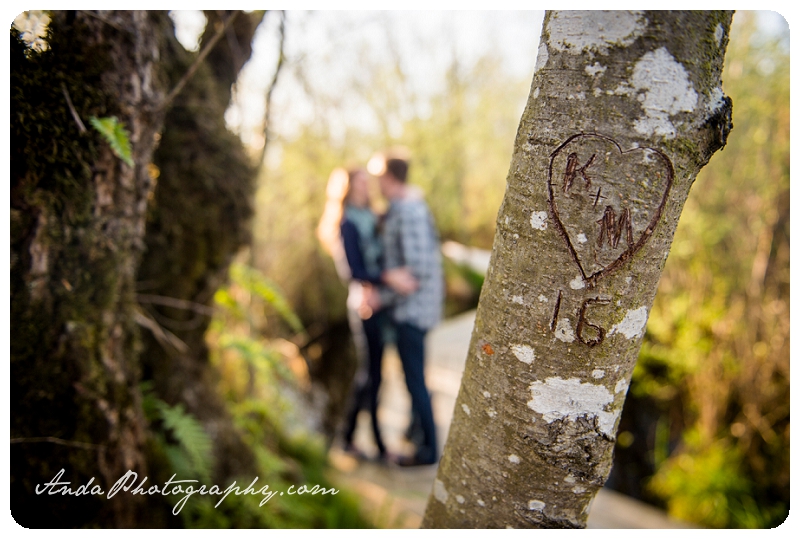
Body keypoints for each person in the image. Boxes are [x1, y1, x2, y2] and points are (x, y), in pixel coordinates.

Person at [317, 167, 416, 461]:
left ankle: (346, 438)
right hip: (364, 305)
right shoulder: (346, 223)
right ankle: (379, 446)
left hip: (379, 303)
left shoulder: (372, 215)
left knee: (370, 374)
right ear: (347, 188)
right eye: (360, 182)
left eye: (366, 182)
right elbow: (353, 271)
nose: (366, 186)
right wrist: (389, 278)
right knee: (372, 375)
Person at [368, 156, 444, 467]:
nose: (376, 184)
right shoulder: (403, 206)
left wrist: (381, 295)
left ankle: (428, 452)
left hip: (413, 311)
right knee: (414, 376)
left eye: (378, 177)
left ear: (389, 177)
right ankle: (418, 437)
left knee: (414, 380)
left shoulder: (409, 210)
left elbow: (418, 269)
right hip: (411, 308)